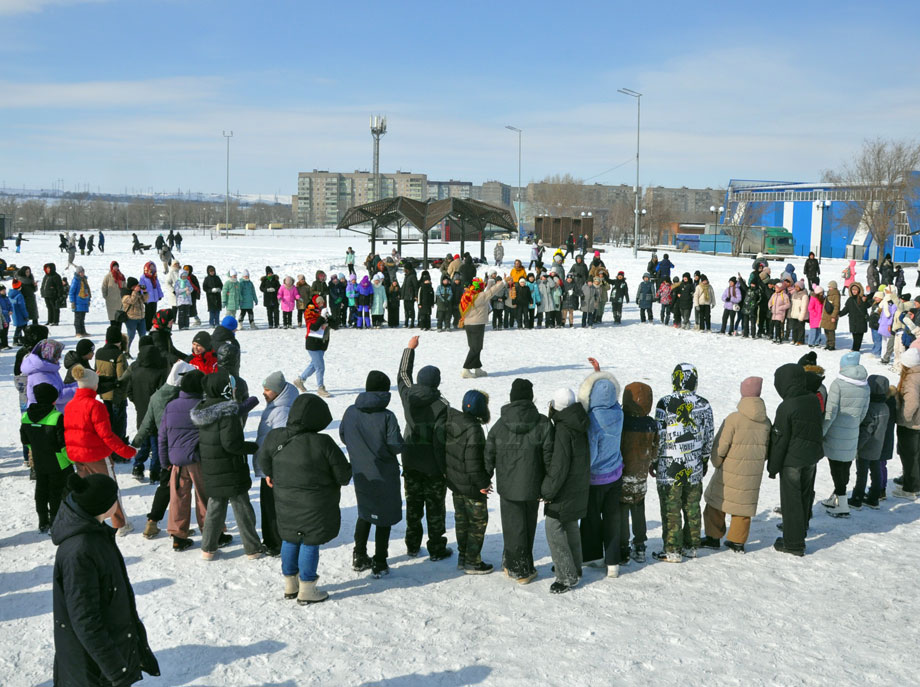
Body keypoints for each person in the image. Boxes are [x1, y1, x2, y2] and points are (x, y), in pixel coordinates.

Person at [51, 472, 159, 686]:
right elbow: (85, 620)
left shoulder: (93, 531)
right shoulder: (80, 551)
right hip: (92, 668)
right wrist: (116, 671)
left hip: (103, 656)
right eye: (115, 498)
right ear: (104, 505)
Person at [259, 392, 351, 604]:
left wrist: (272, 475)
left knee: (290, 537)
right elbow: (344, 476)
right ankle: (308, 589)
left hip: (284, 501)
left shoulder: (276, 436)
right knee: (310, 541)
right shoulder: (323, 443)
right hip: (316, 505)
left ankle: (291, 585)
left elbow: (264, 462)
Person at [485, 378, 552, 583]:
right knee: (528, 525)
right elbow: (549, 457)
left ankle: (517, 568)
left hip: (508, 485)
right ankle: (520, 564)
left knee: (513, 526)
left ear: (512, 398)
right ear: (530, 398)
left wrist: (484, 478)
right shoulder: (543, 423)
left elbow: (489, 453)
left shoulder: (499, 425)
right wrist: (549, 485)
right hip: (533, 485)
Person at [191, 371, 263, 560]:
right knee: (242, 508)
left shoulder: (203, 411)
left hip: (212, 468)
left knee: (215, 508)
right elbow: (231, 444)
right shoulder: (227, 413)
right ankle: (253, 548)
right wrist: (253, 447)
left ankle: (208, 548)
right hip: (230, 468)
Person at [339, 370, 404, 578]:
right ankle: (380, 561)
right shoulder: (387, 416)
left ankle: (359, 555)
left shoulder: (350, 411)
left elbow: (343, 435)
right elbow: (395, 446)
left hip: (361, 473)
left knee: (365, 512)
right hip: (384, 474)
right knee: (383, 517)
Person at [700, 377, 771, 553]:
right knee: (743, 507)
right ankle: (737, 542)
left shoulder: (734, 419)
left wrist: (716, 462)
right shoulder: (766, 422)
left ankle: (713, 536)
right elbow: (768, 450)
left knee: (716, 502)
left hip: (729, 471)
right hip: (752, 473)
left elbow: (720, 445)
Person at [63, 365, 136, 535]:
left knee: (86, 489)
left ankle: (90, 519)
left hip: (77, 456)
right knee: (110, 488)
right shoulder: (96, 406)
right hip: (96, 455)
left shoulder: (70, 405)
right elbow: (107, 435)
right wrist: (127, 451)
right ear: (93, 385)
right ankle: (120, 523)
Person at [396, 336, 452, 559]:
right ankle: (437, 548)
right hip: (433, 466)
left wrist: (409, 349)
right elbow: (441, 442)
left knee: (413, 505)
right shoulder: (442, 405)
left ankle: (412, 544)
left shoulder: (408, 395)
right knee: (436, 508)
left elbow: (402, 375)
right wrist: (444, 467)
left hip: (411, 460)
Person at [652, 363, 714, 563]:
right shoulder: (704, 404)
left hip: (668, 467)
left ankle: (672, 549)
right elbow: (708, 435)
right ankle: (691, 546)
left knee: (671, 508)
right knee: (692, 506)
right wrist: (704, 459)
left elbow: (659, 435)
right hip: (693, 465)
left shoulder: (665, 403)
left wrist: (654, 460)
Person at [769, 363, 825, 556]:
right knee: (804, 496)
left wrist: (772, 467)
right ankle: (800, 531)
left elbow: (779, 440)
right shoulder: (812, 399)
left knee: (791, 501)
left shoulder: (787, 406)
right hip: (811, 458)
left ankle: (793, 543)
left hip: (792, 460)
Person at [577, 359, 624, 577]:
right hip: (615, 475)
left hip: (595, 478)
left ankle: (593, 556)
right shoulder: (619, 412)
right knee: (613, 519)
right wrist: (599, 372)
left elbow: (592, 453)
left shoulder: (593, 418)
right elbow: (607, 390)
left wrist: (584, 468)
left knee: (592, 518)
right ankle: (613, 562)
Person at [440, 389, 494, 575]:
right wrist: (483, 484)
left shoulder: (454, 421)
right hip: (472, 485)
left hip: (456, 483)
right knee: (478, 522)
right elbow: (473, 464)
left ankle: (463, 557)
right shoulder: (474, 429)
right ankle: (472, 561)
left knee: (462, 520)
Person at [542, 387, 589, 593]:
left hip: (564, 489)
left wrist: (547, 491)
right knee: (570, 526)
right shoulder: (579, 422)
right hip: (578, 486)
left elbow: (559, 467)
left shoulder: (562, 429)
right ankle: (575, 568)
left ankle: (566, 576)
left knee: (553, 527)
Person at [157, 369, 208, 550]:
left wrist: (165, 462)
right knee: (204, 497)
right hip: (199, 459)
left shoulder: (171, 406)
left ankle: (178, 536)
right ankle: (211, 532)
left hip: (177, 461)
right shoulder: (203, 405)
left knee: (178, 497)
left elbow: (162, 436)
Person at [819, 351, 871, 518]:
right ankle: (836, 497)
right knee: (845, 467)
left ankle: (842, 505)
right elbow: (864, 412)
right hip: (852, 432)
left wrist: (822, 432)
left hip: (835, 433)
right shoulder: (865, 385)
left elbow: (830, 412)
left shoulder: (838, 384)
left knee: (836, 468)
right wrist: (854, 424)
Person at [255, 371, 299, 556]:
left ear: (278, 391)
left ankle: (275, 543)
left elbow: (279, 443)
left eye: (268, 389)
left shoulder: (282, 410)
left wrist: (270, 470)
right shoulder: (276, 404)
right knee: (269, 506)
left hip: (273, 469)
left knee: (272, 507)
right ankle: (274, 541)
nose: (264, 393)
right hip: (269, 467)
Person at [21, 383, 74, 533]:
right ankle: (55, 522)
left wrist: (36, 451)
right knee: (56, 492)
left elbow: (25, 441)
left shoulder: (26, 417)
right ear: (53, 400)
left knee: (41, 490)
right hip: (59, 463)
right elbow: (63, 445)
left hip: (39, 460)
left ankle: (43, 521)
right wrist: (71, 460)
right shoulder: (57, 417)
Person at [618, 381, 658, 564]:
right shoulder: (651, 424)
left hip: (623, 476)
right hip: (641, 476)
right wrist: (650, 463)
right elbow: (655, 449)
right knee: (638, 509)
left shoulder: (622, 422)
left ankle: (623, 547)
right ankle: (640, 545)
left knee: (622, 511)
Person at [848, 375, 890, 509]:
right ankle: (874, 497)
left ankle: (857, 498)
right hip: (878, 446)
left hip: (866, 447)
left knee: (862, 473)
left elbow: (866, 430)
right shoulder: (885, 407)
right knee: (875, 470)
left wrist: (857, 446)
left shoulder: (871, 408)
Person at [458, 276, 505, 378]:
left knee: (474, 347)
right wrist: (503, 282)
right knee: (476, 347)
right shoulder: (480, 296)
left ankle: (477, 368)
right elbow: (492, 291)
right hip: (477, 324)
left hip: (468, 324)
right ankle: (466, 369)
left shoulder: (467, 295)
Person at [894, 347, 920, 499]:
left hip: (911, 425)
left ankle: (910, 489)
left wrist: (904, 418)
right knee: (916, 455)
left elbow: (912, 401)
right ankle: (914, 483)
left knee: (909, 456)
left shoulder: (911, 379)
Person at [293, 297, 331, 397]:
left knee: (314, 365)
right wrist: (322, 317)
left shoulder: (324, 311)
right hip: (313, 343)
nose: (322, 304)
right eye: (319, 302)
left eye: (323, 302)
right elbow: (313, 327)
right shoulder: (310, 312)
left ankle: (300, 380)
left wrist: (329, 319)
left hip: (322, 343)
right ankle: (320, 387)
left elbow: (334, 324)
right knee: (320, 367)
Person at [122, 277, 147, 355]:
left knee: (143, 337)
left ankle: (143, 352)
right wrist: (135, 292)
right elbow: (132, 301)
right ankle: (126, 352)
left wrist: (145, 292)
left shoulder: (137, 293)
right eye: (135, 285)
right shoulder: (125, 294)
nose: (137, 287)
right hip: (131, 319)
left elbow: (145, 300)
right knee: (130, 337)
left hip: (141, 318)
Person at [139, 261, 164, 332]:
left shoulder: (155, 277)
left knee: (153, 313)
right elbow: (142, 287)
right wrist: (144, 296)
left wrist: (160, 295)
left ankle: (152, 325)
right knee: (148, 314)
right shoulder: (143, 277)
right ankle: (147, 326)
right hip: (148, 299)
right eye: (150, 267)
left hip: (154, 298)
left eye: (153, 267)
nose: (152, 269)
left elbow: (158, 286)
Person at [69, 266, 91, 338]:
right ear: (78, 273)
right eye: (81, 272)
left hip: (84, 301)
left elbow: (87, 290)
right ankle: (78, 332)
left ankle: (83, 331)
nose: (82, 273)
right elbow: (71, 292)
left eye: (83, 272)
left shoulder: (84, 280)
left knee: (82, 318)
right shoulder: (75, 280)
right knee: (78, 318)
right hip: (78, 302)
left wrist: (88, 300)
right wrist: (72, 302)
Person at [822, 280, 841, 350]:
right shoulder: (829, 294)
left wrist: (834, 316)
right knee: (826, 330)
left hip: (831, 315)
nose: (829, 288)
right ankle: (828, 344)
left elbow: (836, 306)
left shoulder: (836, 295)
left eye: (830, 287)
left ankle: (832, 345)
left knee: (831, 331)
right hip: (826, 315)